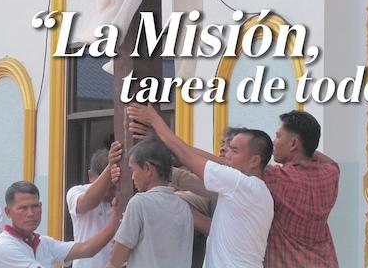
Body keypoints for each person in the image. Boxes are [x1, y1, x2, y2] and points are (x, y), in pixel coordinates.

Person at [127, 103, 274, 268]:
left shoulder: (239, 184)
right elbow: (215, 230)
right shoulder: (255, 191)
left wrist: (155, 120)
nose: (227, 154)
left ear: (254, 160)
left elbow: (186, 153)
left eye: (234, 150)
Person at [264, 110, 340, 267]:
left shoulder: (277, 178)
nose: (274, 141)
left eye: (278, 136)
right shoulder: (330, 174)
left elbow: (234, 168)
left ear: (293, 143)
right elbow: (331, 163)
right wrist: (308, 145)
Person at [0, 181, 119, 268]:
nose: (30, 213)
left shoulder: (42, 242)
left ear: (41, 206)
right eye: (23, 208)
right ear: (8, 212)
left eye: (35, 206)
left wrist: (116, 219)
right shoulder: (3, 247)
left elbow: (86, 249)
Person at [107, 139, 192, 268]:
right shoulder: (184, 207)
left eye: (133, 170)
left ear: (147, 168)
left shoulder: (139, 203)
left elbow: (116, 258)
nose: (132, 177)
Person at [65, 142, 121, 268]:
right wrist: (110, 167)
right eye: (107, 186)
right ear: (90, 176)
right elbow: (86, 203)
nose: (109, 192)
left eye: (112, 187)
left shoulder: (122, 196)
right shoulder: (76, 191)